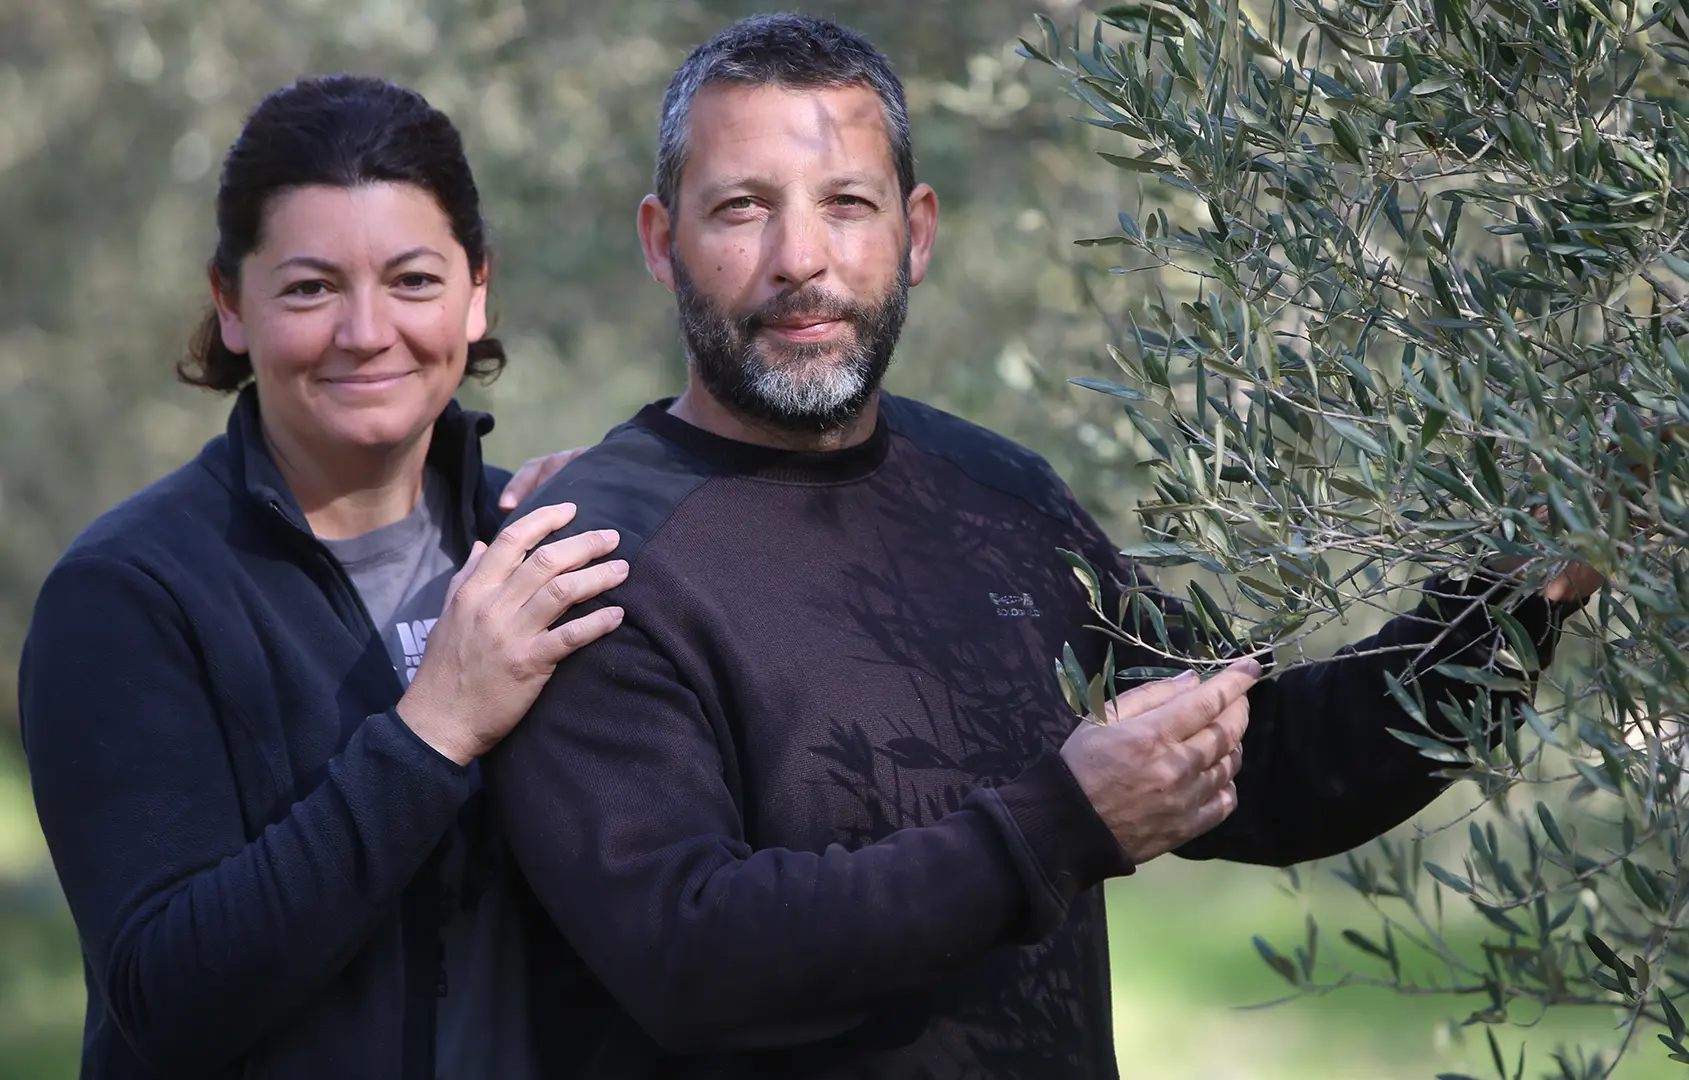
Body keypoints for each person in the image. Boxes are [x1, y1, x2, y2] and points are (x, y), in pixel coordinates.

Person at [489, 14, 1600, 1078]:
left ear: (915, 234)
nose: (801, 257)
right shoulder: (591, 559)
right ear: (659, 240)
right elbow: (694, 957)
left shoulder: (999, 498)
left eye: (847, 204)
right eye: (741, 209)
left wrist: (1519, 595)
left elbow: (1269, 765)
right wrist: (1063, 823)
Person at [18, 75, 626, 1080]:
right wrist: (434, 731)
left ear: (479, 292)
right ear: (231, 305)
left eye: (414, 281)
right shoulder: (128, 596)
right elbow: (166, 998)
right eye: (309, 288)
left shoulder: (540, 554)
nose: (365, 331)